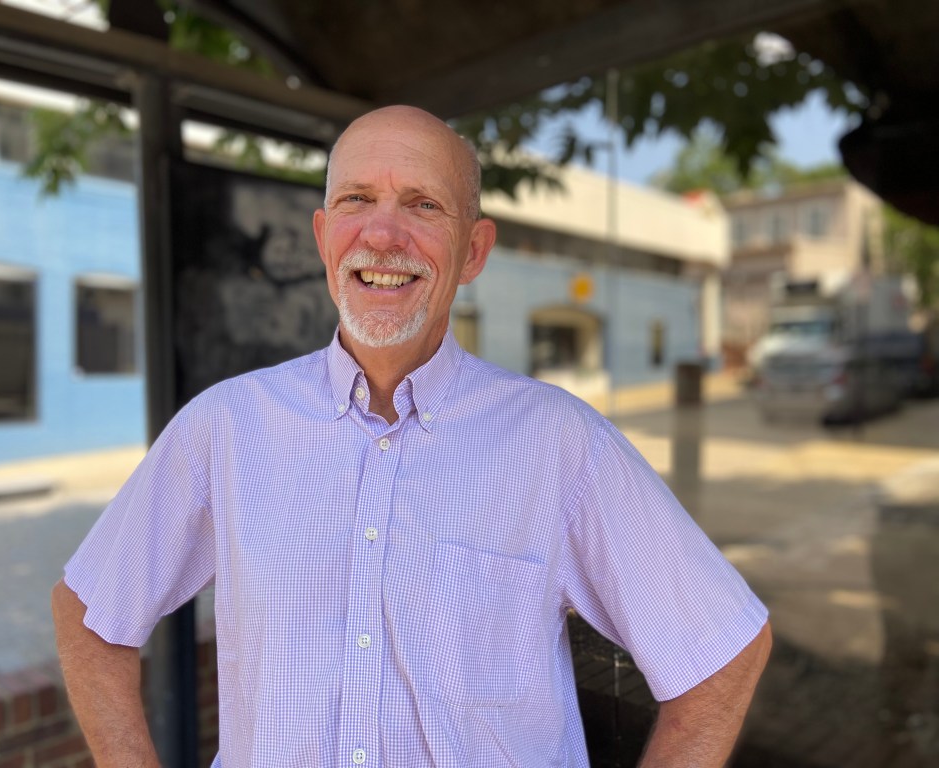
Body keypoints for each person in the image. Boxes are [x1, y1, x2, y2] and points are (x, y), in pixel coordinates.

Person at [52, 105, 771, 768]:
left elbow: (723, 652)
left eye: (423, 205)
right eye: (356, 200)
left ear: (473, 251)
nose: (383, 234)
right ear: (322, 235)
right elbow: (88, 614)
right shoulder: (227, 426)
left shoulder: (560, 445)